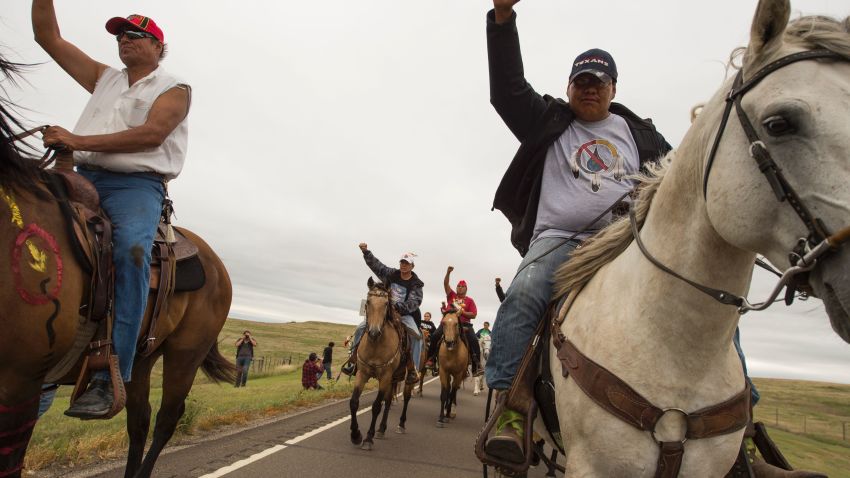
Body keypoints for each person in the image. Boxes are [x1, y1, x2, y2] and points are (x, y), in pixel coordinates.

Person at [483, 0, 763, 467]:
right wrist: (502, 20)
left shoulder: (642, 135)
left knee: (716, 302)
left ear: (613, 88)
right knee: (526, 290)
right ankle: (511, 410)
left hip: (628, 242)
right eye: (581, 82)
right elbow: (507, 91)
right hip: (562, 240)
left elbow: (683, 182)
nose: (589, 90)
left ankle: (745, 435)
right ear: (569, 87)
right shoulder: (548, 120)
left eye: (598, 83)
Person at [33, 2, 192, 419]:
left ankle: (110, 371)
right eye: (120, 35)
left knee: (131, 253)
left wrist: (76, 137)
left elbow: (152, 135)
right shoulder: (105, 78)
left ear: (158, 46)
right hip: (82, 172)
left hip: (134, 185)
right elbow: (47, 38)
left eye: (134, 35)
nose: (124, 40)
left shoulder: (174, 87)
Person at [344, 244, 424, 385]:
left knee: (417, 336)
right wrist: (366, 252)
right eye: (402, 262)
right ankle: (353, 361)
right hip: (384, 311)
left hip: (404, 314)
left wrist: (398, 306)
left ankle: (413, 370)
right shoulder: (391, 274)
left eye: (407, 263)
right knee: (360, 328)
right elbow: (377, 266)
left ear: (412, 266)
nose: (404, 265)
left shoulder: (416, 284)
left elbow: (415, 302)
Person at [425, 267, 483, 376]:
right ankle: (431, 359)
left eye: (463, 287)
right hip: (447, 323)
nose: (460, 288)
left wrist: (463, 313)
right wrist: (448, 273)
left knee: (474, 341)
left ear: (466, 289)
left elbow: (474, 314)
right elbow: (446, 284)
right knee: (435, 335)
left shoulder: (470, 300)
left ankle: (476, 366)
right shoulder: (451, 295)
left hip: (464, 325)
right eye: (459, 286)